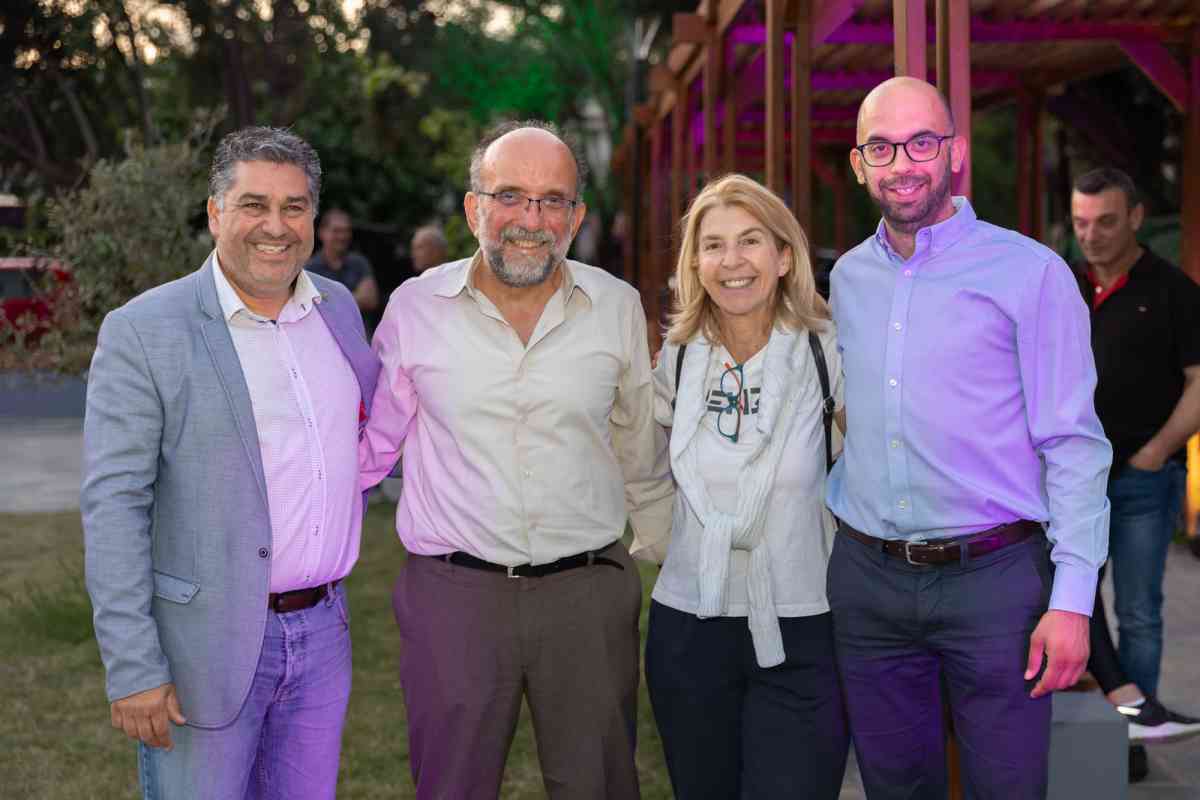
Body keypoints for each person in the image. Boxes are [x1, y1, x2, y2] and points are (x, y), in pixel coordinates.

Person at [360, 120, 673, 800]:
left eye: (552, 200)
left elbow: (639, 447)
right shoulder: (415, 308)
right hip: (454, 597)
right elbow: (370, 444)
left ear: (576, 217)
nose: (531, 220)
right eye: (509, 196)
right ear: (474, 208)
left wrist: (673, 561)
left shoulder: (616, 306)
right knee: (451, 786)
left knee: (599, 786)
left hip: (587, 596)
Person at [826, 77, 1112, 799]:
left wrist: (1073, 600)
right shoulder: (848, 280)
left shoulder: (1031, 274)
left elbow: (1074, 446)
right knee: (895, 788)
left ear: (954, 153)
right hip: (870, 581)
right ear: (859, 163)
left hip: (995, 584)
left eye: (921, 143)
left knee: (1007, 788)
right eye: (881, 147)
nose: (902, 164)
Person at [81, 126, 381, 800]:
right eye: (253, 205)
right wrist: (133, 664)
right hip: (203, 645)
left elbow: (359, 439)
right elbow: (115, 508)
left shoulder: (336, 310)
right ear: (215, 212)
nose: (275, 226)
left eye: (294, 207)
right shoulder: (144, 330)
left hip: (323, 633)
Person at [643, 173, 849, 799]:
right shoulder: (677, 357)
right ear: (695, 263)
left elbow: (875, 467)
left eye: (750, 241)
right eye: (713, 245)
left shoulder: (827, 353)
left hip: (801, 624)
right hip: (689, 626)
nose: (731, 260)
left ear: (784, 257)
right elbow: (645, 465)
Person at [1069, 167, 1200, 780]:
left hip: (1144, 480)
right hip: (1073, 482)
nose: (1090, 235)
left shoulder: (1174, 291)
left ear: (1137, 218)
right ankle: (1103, 724)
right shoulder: (1062, 285)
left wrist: (1156, 451)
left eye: (1105, 222)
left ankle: (1130, 741)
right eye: (1080, 223)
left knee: (1139, 612)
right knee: (1072, 601)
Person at [306, 208, 380, 316]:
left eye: (346, 231)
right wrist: (355, 297)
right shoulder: (309, 268)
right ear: (322, 233)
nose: (342, 236)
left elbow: (370, 301)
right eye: (336, 231)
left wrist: (326, 299)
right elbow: (308, 306)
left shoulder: (359, 263)